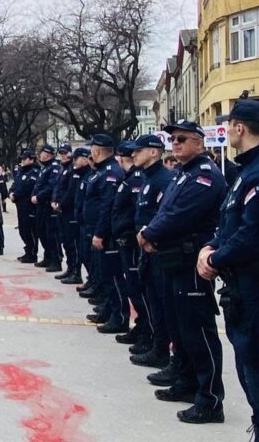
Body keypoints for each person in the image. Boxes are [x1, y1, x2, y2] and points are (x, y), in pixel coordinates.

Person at [198, 100, 259, 440]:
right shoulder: (248, 171)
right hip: (243, 289)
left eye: (228, 125)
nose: (225, 131)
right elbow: (231, 222)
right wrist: (213, 246)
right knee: (253, 376)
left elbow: (256, 235)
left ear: (240, 127)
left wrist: (216, 258)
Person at [137, 120, 228, 424]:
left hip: (191, 261)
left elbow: (179, 216)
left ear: (199, 144)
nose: (175, 143)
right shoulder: (182, 173)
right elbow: (166, 212)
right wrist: (154, 234)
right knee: (180, 328)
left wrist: (150, 233)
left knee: (198, 331)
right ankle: (187, 381)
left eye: (182, 139)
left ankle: (210, 398)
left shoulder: (204, 176)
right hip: (174, 258)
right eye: (173, 139)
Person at [128, 135, 174, 370]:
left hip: (158, 250)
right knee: (151, 300)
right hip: (146, 248)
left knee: (161, 303)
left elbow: (164, 214)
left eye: (139, 150)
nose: (133, 154)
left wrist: (151, 237)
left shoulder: (164, 179)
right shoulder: (148, 178)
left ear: (154, 152)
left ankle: (162, 350)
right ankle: (157, 346)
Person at [80, 135, 122, 329]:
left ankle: (117, 316)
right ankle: (107, 309)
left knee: (111, 276)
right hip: (94, 230)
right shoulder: (101, 171)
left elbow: (107, 206)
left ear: (97, 151)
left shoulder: (110, 172)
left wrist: (99, 233)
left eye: (92, 149)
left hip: (105, 234)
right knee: (102, 274)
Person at [100, 141, 141, 338]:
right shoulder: (126, 178)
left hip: (128, 240)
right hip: (120, 237)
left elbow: (131, 211)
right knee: (125, 283)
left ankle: (134, 325)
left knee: (133, 287)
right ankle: (138, 327)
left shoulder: (133, 179)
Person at [53, 145, 84, 284]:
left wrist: (61, 204)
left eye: (65, 153)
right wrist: (54, 200)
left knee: (72, 244)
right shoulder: (63, 169)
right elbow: (57, 187)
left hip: (69, 211)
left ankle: (76, 272)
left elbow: (71, 192)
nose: (63, 156)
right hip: (61, 210)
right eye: (61, 153)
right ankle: (70, 268)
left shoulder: (73, 170)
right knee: (65, 241)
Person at [31, 145, 61, 271]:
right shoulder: (44, 167)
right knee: (41, 231)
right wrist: (34, 194)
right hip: (41, 205)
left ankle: (56, 260)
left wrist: (39, 196)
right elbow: (38, 184)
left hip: (48, 204)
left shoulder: (54, 167)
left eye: (42, 152)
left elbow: (51, 186)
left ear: (47, 154)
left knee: (51, 234)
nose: (40, 155)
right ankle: (47, 257)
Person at [8, 150, 39, 263]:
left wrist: (15, 194)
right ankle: (27, 251)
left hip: (28, 205)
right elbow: (15, 184)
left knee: (29, 230)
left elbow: (27, 188)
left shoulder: (34, 172)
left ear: (31, 159)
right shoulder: (21, 171)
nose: (22, 161)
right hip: (20, 205)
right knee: (22, 230)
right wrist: (10, 192)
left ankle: (32, 253)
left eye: (24, 159)